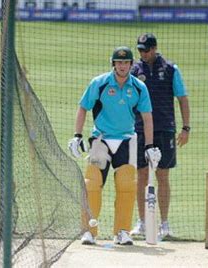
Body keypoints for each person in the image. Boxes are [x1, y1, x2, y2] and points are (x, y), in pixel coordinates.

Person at [68, 46, 161, 246]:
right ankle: (89, 231)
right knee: (92, 184)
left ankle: (122, 232)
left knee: (127, 186)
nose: (122, 66)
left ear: (131, 64)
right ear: (113, 64)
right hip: (100, 139)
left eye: (126, 62)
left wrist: (150, 146)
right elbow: (83, 107)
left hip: (127, 140)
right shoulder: (99, 83)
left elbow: (147, 117)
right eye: (119, 62)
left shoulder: (138, 87)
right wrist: (77, 136)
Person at [130, 33, 191, 239]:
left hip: (165, 128)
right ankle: (142, 223)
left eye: (146, 50)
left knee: (163, 176)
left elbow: (182, 98)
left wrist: (186, 128)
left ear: (155, 48)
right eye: (140, 50)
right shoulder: (133, 70)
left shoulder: (171, 69)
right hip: (139, 129)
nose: (142, 54)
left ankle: (164, 224)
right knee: (141, 177)